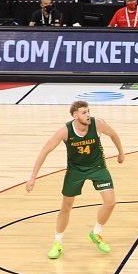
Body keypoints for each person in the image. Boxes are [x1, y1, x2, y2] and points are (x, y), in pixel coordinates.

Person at [25, 101, 125, 259]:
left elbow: (113, 135)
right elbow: (45, 151)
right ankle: (58, 242)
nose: (88, 115)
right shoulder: (65, 131)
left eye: (88, 111)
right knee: (66, 206)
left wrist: (121, 153)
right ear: (75, 115)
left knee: (111, 202)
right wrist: (32, 177)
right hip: (75, 170)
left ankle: (96, 233)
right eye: (84, 112)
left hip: (97, 167)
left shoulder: (98, 125)